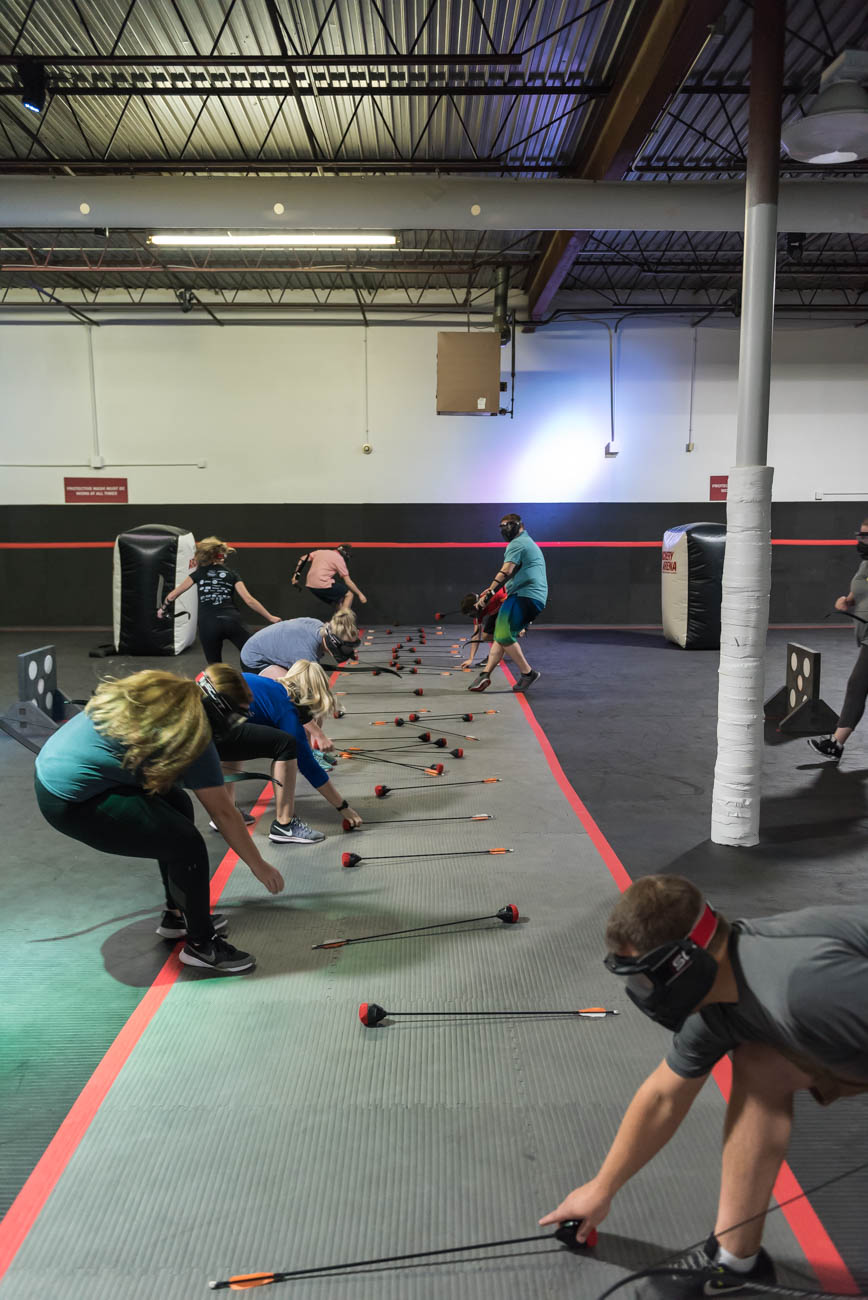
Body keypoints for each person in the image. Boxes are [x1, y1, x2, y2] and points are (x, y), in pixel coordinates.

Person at [540, 874, 868, 1294]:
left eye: (645, 979)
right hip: (845, 1034)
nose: (641, 995)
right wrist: (601, 1190)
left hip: (841, 1013)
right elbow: (663, 1097)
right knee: (761, 1062)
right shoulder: (718, 1004)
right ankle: (735, 1262)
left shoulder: (803, 988)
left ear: (684, 963)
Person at [33, 670, 285, 975]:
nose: (234, 729)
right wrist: (260, 866)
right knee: (186, 843)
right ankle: (202, 946)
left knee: (176, 802)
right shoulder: (195, 731)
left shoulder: (171, 693)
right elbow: (224, 814)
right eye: (235, 720)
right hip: (69, 799)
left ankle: (177, 913)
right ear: (219, 712)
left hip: (60, 766)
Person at [202, 661, 362, 843]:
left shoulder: (271, 687)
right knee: (286, 746)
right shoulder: (286, 707)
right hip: (213, 728)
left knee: (239, 742)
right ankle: (284, 825)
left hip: (206, 723)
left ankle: (225, 812)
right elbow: (308, 766)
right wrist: (343, 807)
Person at [240, 610, 360, 751]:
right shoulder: (305, 653)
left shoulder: (322, 628)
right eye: (347, 648)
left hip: (277, 652)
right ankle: (307, 751)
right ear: (333, 642)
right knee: (300, 702)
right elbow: (299, 704)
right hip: (256, 659)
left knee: (315, 702)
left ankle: (312, 747)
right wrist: (320, 735)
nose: (350, 652)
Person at [160, 536, 279, 664]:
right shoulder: (231, 574)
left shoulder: (198, 574)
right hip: (232, 621)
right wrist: (270, 617)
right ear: (221, 556)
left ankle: (219, 682)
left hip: (208, 624)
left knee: (214, 666)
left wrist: (163, 609)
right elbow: (249, 600)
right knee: (254, 656)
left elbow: (172, 596)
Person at [808, 519, 868, 762]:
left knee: (857, 686)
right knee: (858, 687)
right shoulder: (865, 565)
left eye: (866, 536)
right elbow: (856, 594)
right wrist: (845, 601)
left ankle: (836, 743)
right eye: (861, 536)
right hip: (864, 636)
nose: (861, 541)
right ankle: (836, 744)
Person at [467, 514, 547, 694]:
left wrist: (488, 597)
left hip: (524, 595)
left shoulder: (517, 543)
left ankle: (528, 673)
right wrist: (491, 590)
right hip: (532, 597)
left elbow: (506, 571)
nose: (505, 530)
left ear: (519, 526)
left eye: (508, 525)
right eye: (502, 526)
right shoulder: (527, 542)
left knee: (502, 634)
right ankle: (485, 674)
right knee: (501, 636)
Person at [292, 544, 367, 612]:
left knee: (338, 603)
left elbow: (303, 559)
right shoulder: (339, 559)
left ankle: (337, 624)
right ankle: (344, 624)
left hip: (311, 585)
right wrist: (360, 594)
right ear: (346, 555)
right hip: (322, 583)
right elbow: (348, 582)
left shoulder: (320, 552)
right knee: (349, 595)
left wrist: (296, 576)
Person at [458, 587, 507, 671]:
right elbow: (476, 635)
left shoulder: (496, 595)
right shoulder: (478, 611)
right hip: (496, 611)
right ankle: (502, 646)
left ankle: (498, 653)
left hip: (509, 607)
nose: (473, 615)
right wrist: (471, 659)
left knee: (501, 634)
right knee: (486, 636)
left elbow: (514, 602)